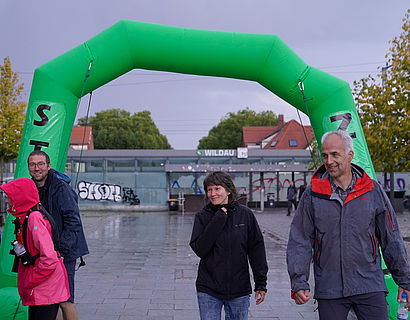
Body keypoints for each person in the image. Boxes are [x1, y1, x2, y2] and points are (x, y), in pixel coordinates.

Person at [286, 130, 410, 320]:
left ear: (350, 155)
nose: (328, 161)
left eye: (335, 154)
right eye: (325, 155)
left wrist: (404, 280)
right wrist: (299, 282)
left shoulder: (372, 190)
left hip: (369, 284)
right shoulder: (312, 194)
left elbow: (391, 237)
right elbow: (299, 240)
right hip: (330, 287)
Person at [190, 171, 268, 320]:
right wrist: (218, 220)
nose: (212, 193)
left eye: (217, 188)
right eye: (209, 190)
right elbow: (200, 249)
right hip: (208, 289)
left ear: (228, 190)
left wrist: (261, 283)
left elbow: (256, 250)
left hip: (239, 290)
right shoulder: (202, 216)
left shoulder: (245, 215)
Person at [28, 150, 89, 320]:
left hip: (65, 251)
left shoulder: (61, 188)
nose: (36, 168)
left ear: (48, 166)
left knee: (64, 300)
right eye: (32, 164)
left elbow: (73, 221)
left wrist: (60, 250)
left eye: (40, 164)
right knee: (51, 298)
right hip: (46, 253)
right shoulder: (31, 188)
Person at [0, 178, 70, 320]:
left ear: (20, 196)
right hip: (41, 287)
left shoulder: (33, 218)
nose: (7, 201)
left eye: (9, 197)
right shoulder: (28, 216)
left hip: (44, 286)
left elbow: (49, 258)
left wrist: (31, 279)